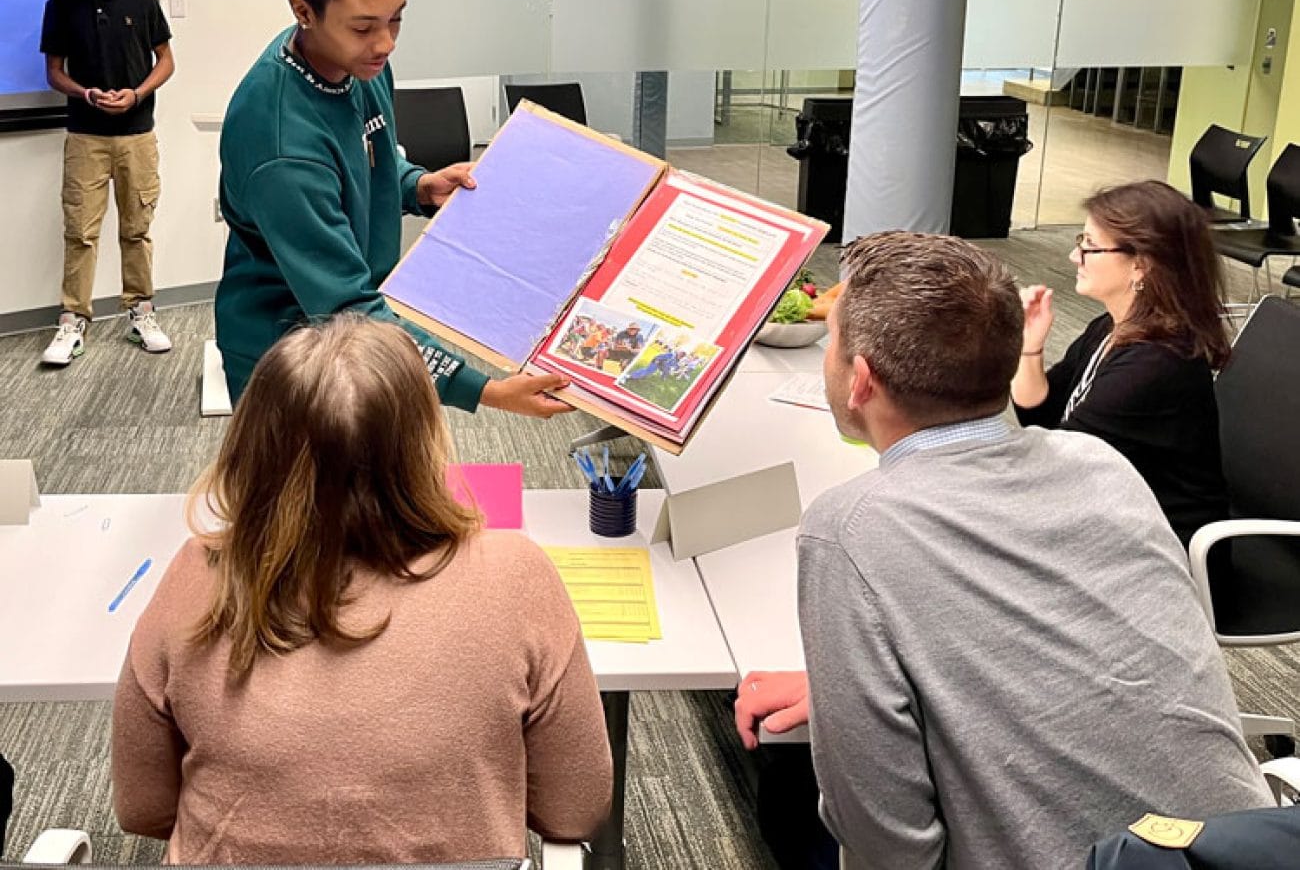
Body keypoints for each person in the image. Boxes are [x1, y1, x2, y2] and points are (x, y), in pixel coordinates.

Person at [737, 231, 1272, 870]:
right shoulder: (1098, 462)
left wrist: (848, 711)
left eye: (832, 344)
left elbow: (890, 846)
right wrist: (850, 693)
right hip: (1245, 851)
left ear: (861, 380)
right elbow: (1054, 651)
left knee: (786, 784)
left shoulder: (847, 529)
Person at [110, 315, 612, 864]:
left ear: (251, 444)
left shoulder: (196, 574)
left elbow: (142, 808)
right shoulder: (516, 572)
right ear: (423, 445)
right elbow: (574, 808)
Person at [215, 0, 568, 417]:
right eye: (364, 26)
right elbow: (347, 310)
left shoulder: (357, 62)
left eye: (395, 19)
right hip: (291, 357)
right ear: (304, 11)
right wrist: (486, 390)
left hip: (360, 325)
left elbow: (365, 157)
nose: (385, 43)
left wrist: (416, 185)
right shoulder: (281, 145)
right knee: (307, 471)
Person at [1011, 181, 1231, 545]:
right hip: (1112, 517)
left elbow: (1051, 465)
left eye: (1089, 246)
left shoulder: (1155, 366)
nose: (1074, 256)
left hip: (1159, 549)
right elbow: (1042, 416)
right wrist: (1029, 348)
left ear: (1140, 265)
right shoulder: (1111, 327)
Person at [38, 0, 175, 366]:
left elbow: (166, 60)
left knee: (136, 228)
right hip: (85, 136)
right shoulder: (59, 7)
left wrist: (136, 94)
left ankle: (141, 312)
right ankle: (73, 320)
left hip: (137, 134)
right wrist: (85, 93)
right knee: (80, 231)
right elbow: (54, 72)